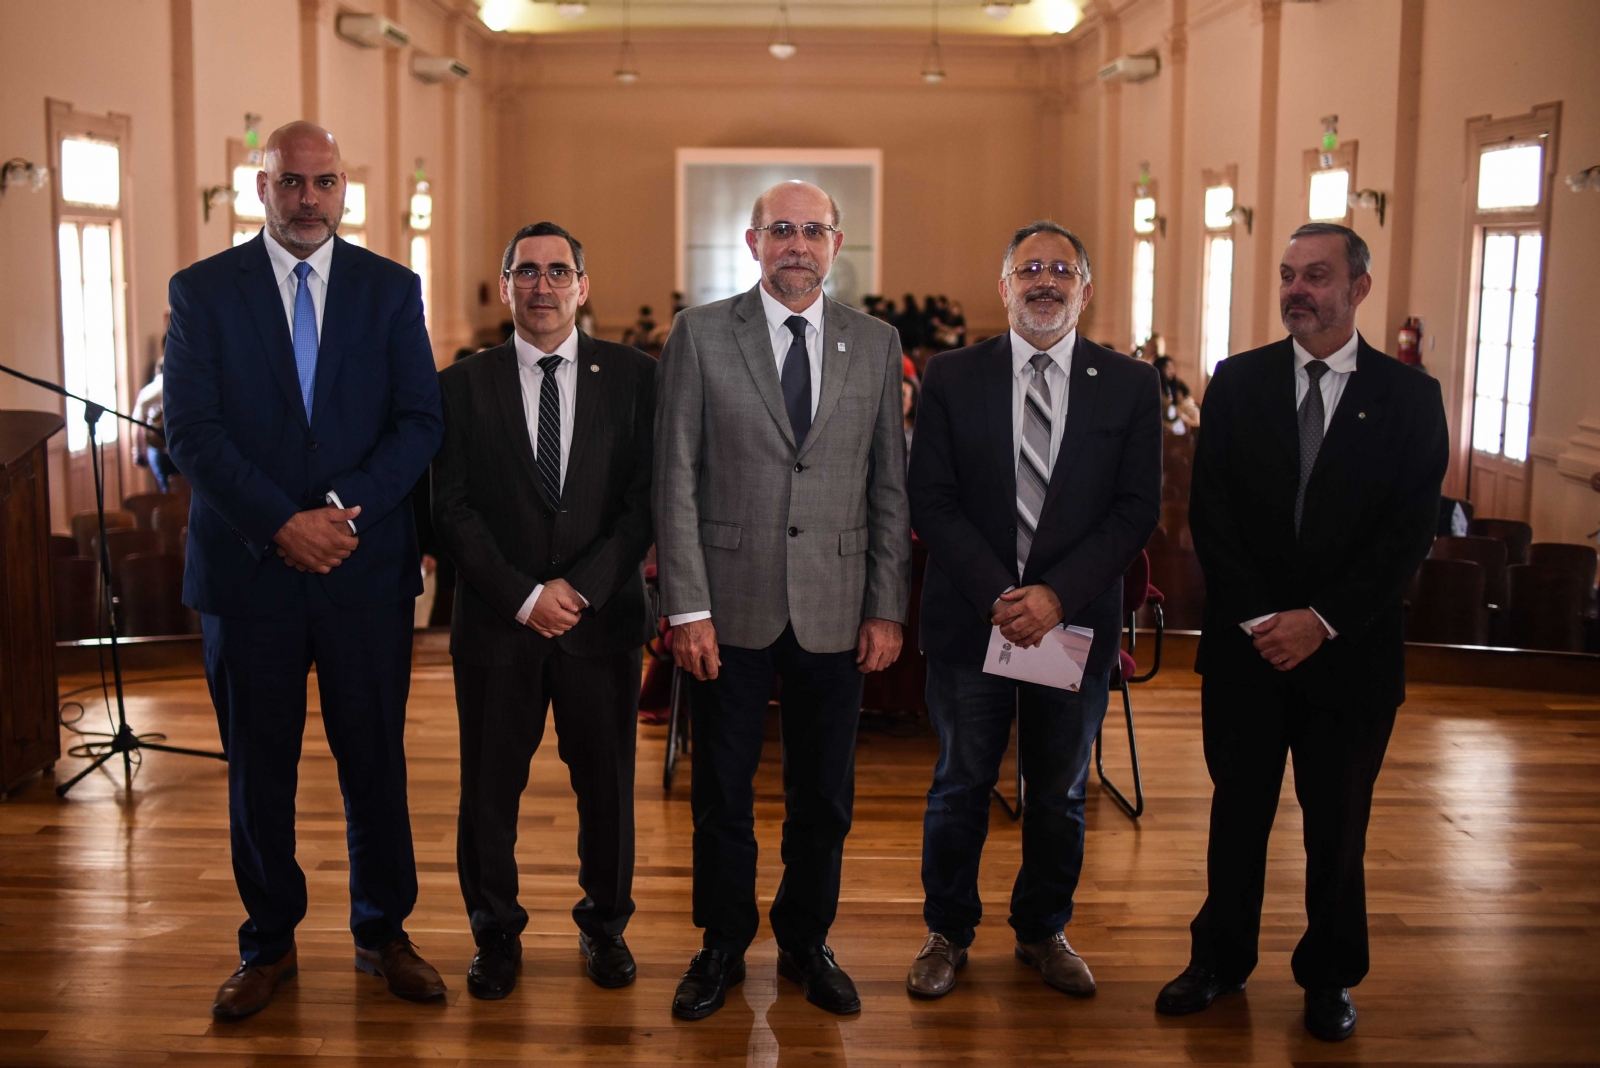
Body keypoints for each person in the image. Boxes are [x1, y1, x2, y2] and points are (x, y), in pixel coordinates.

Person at [162, 121, 445, 1020]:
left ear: (344, 189)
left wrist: (339, 512)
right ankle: (268, 944)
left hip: (363, 567)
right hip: (248, 574)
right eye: (292, 181)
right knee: (259, 771)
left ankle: (383, 933)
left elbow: (419, 422)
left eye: (325, 182)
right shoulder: (203, 291)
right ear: (263, 187)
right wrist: (282, 524)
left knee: (375, 763)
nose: (309, 198)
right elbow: (191, 431)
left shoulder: (391, 289)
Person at [1155, 223, 1448, 1042]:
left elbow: (1406, 534)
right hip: (1247, 648)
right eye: (1288, 275)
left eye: (1316, 275)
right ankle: (1219, 960)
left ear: (1359, 287)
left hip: (1350, 652)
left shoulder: (1409, 397)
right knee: (1237, 815)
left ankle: (1329, 975)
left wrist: (1319, 621)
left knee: (1338, 826)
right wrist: (1263, 619)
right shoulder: (1238, 381)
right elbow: (1212, 513)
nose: (1297, 290)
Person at [654, 180, 911, 1020]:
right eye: (781, 230)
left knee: (824, 796)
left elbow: (888, 484)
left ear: (836, 243)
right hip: (727, 604)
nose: (797, 244)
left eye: (813, 230)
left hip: (838, 602)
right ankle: (721, 943)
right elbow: (674, 480)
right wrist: (687, 607)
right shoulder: (699, 334)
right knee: (721, 792)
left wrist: (887, 605)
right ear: (753, 242)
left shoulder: (875, 342)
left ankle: (806, 941)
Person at [904, 220, 1161, 1000]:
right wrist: (1001, 595)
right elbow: (931, 500)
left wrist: (1055, 596)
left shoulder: (1129, 383)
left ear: (1086, 289)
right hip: (973, 618)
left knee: (1059, 791)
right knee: (960, 785)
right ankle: (947, 933)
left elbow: (1135, 509)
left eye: (1061, 270)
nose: (1044, 281)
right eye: (1029, 269)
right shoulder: (952, 375)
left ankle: (1044, 930)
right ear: (1003, 286)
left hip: (1072, 623)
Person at [432, 221, 656, 1000]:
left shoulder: (634, 376)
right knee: (489, 793)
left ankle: (606, 926)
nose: (543, 285)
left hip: (602, 624)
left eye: (559, 271)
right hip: (499, 626)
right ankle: (494, 934)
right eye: (527, 271)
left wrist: (581, 588)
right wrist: (524, 596)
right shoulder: (461, 385)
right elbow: (450, 508)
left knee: (608, 791)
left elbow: (644, 501)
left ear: (583, 287)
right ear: (506, 286)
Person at [131, 352, 176, 492]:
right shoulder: (173, 385)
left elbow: (137, 421)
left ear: (156, 371)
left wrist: (137, 451)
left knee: (166, 489)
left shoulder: (146, 391)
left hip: (156, 448)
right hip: (173, 445)